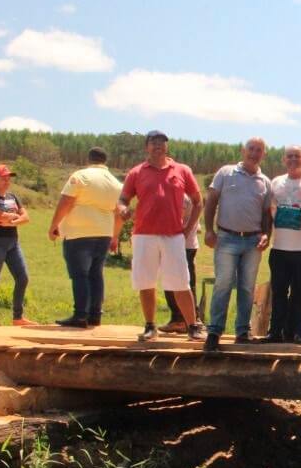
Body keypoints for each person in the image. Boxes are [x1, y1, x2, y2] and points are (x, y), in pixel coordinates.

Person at [119, 130, 203, 342]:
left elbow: (198, 201)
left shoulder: (182, 170)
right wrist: (122, 209)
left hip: (174, 236)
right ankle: (150, 326)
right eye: (153, 142)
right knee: (146, 282)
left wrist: (188, 228)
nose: (158, 146)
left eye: (162, 142)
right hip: (143, 235)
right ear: (146, 146)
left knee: (181, 283)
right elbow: (123, 200)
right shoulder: (136, 172)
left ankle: (192, 326)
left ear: (167, 147)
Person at [203, 138, 272, 352]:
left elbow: (266, 215)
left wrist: (265, 235)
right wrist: (208, 229)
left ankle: (242, 332)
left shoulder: (265, 182)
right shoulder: (226, 172)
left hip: (252, 241)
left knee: (246, 288)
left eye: (259, 150)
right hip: (227, 237)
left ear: (264, 155)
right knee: (223, 283)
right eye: (251, 149)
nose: (254, 153)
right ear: (243, 151)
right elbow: (211, 200)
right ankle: (214, 332)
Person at [48, 147, 123, 327]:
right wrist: (114, 236)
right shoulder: (117, 184)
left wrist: (54, 225)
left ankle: (80, 315)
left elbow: (66, 201)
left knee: (80, 275)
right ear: (105, 161)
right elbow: (120, 213)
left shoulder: (81, 176)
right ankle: (95, 315)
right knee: (96, 274)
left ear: (88, 159)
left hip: (79, 232)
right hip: (104, 232)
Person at [264, 145, 301, 345]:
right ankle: (275, 332)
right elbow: (268, 211)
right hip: (280, 248)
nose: (293, 160)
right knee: (279, 292)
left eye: (297, 156)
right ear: (284, 160)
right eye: (289, 156)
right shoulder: (276, 182)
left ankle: (299, 332)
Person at [0, 165, 35, 327]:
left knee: (23, 278)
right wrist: (15, 216)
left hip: (13, 242)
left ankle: (18, 317)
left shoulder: (13, 197)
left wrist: (11, 221)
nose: (7, 181)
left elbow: (26, 217)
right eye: (3, 178)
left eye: (8, 178)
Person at [160, 194, 201, 333]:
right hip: (188, 244)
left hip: (180, 245)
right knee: (186, 284)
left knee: (175, 285)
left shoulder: (181, 195)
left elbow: (177, 217)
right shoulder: (190, 195)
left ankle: (181, 320)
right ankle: (187, 320)